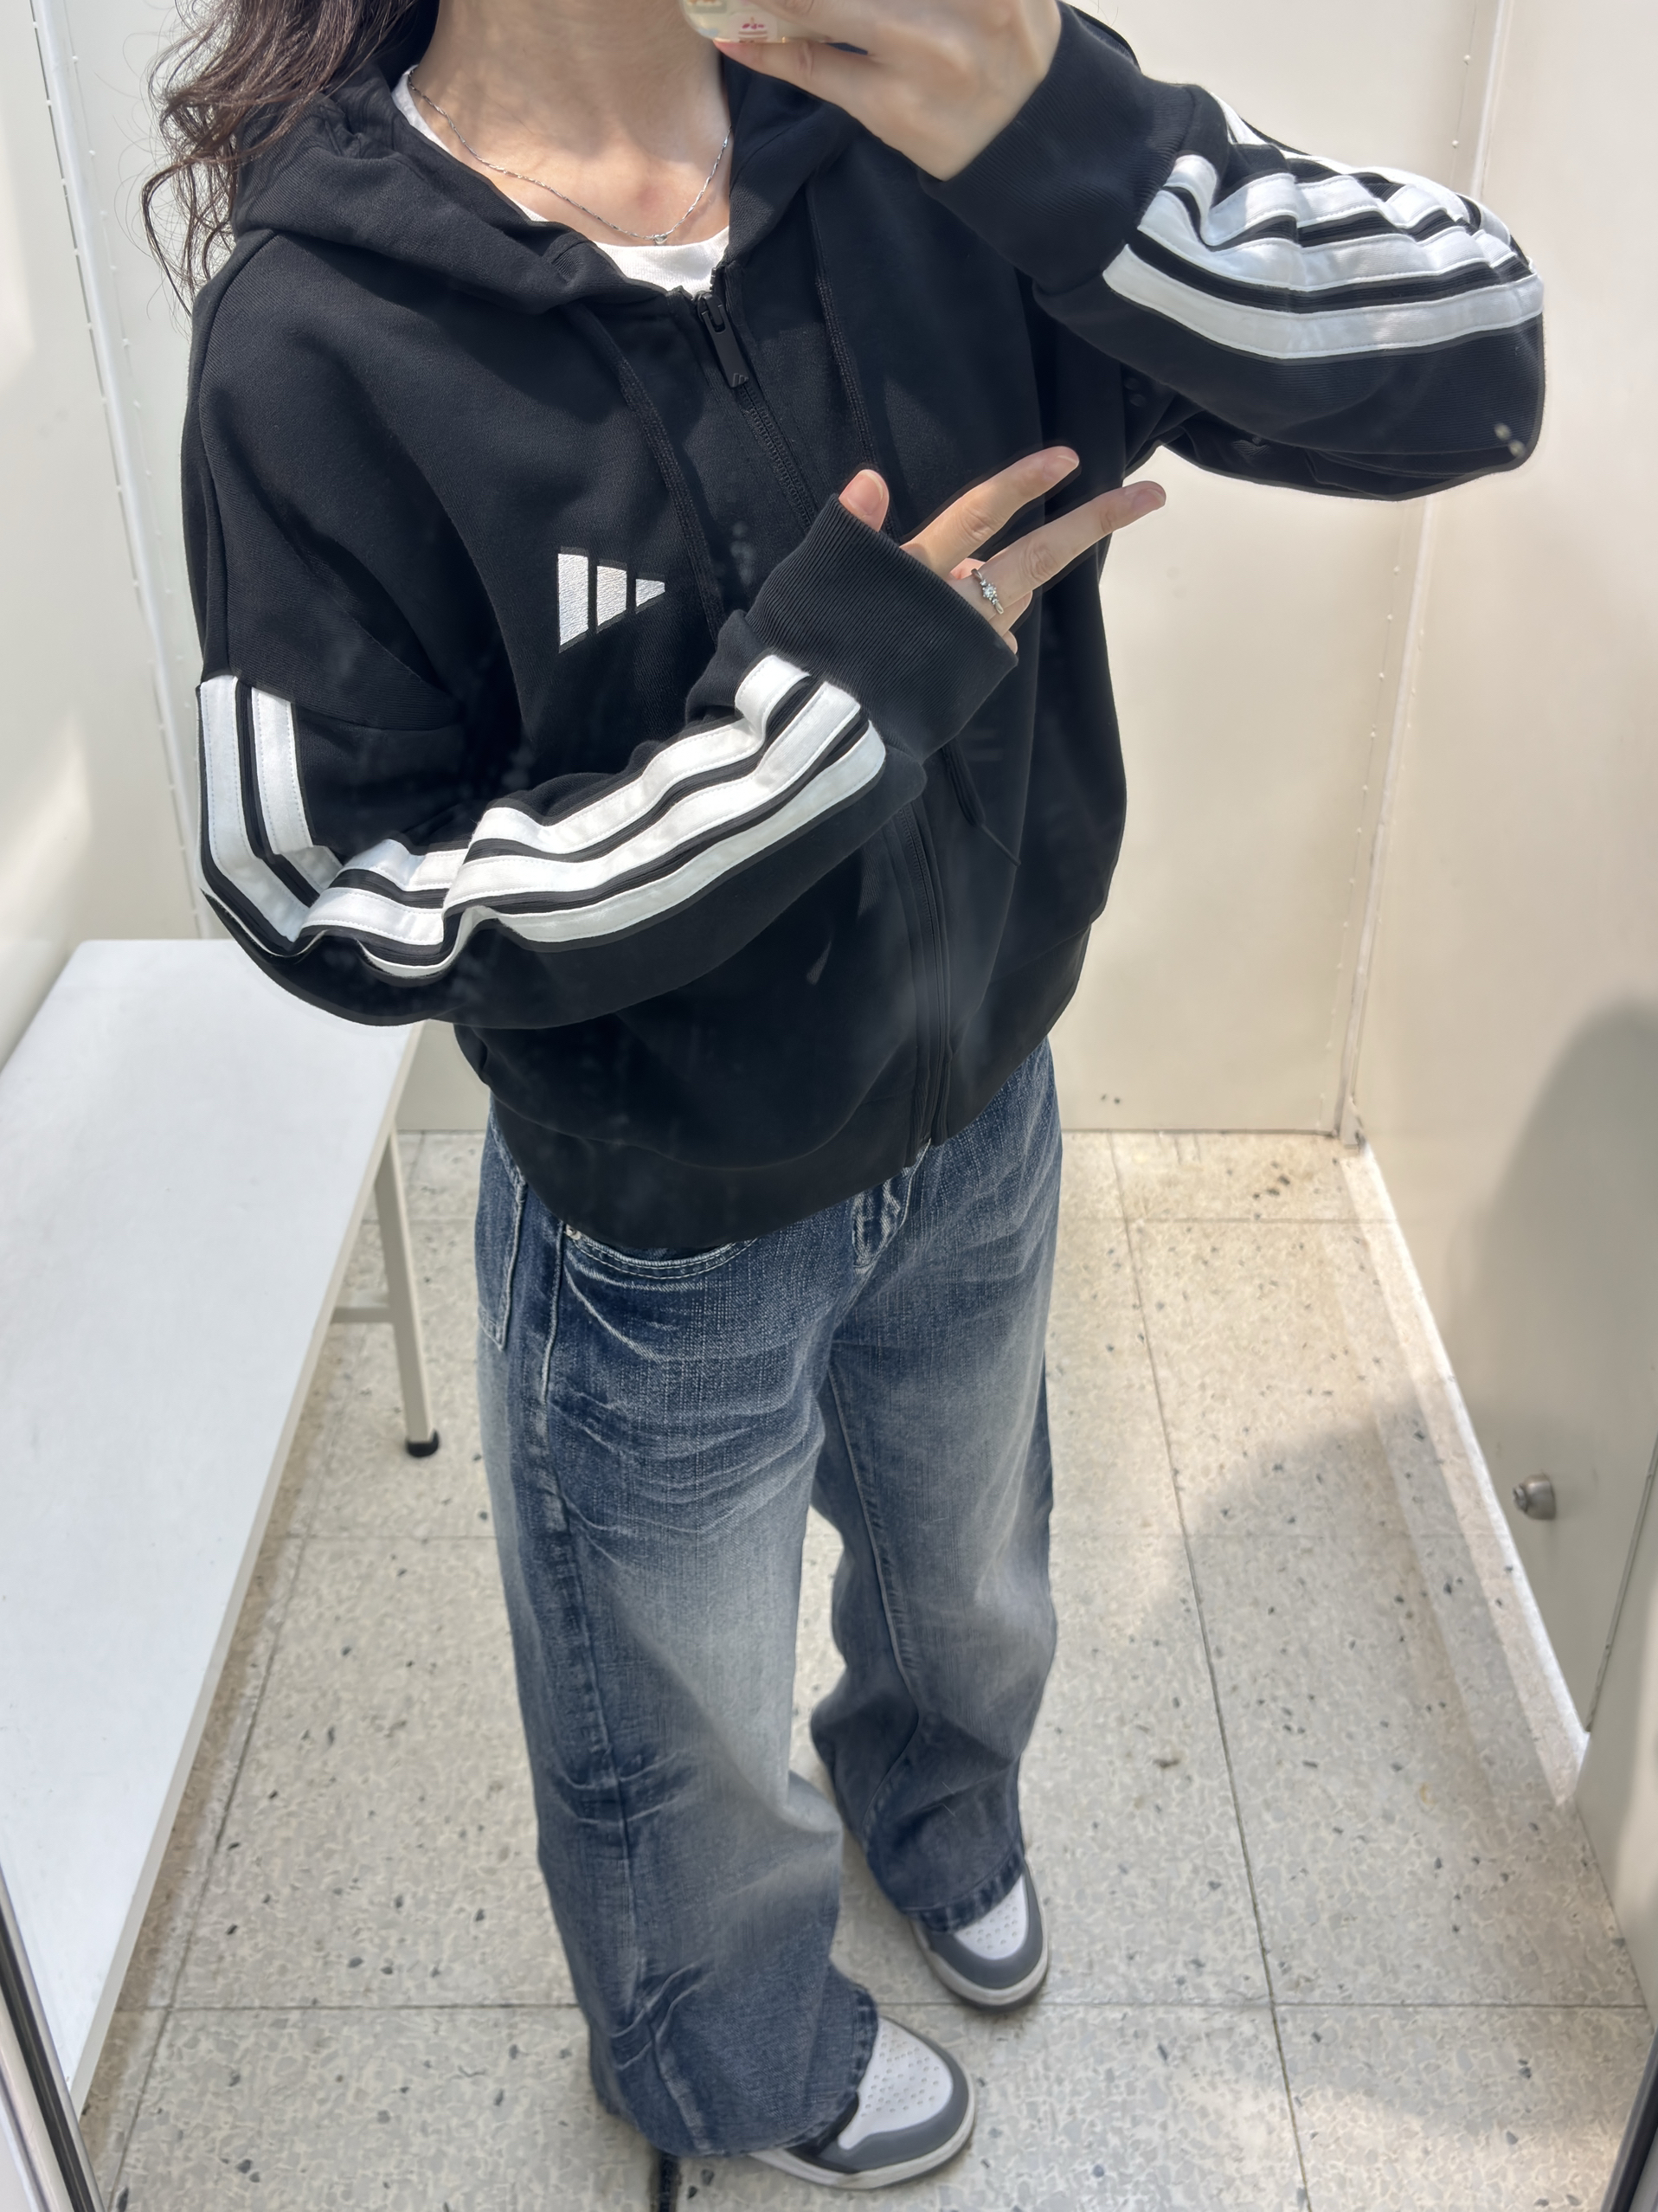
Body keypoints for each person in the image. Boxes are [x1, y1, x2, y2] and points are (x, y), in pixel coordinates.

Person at [150, 0, 1542, 2183]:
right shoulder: (325, 331)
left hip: (981, 1106)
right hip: (657, 1234)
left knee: (968, 1579)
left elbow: (1473, 358)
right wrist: (808, 738)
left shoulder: (946, 127)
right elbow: (319, 884)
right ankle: (720, 2055)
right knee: (676, 1733)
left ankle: (938, 1802)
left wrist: (1068, 141)